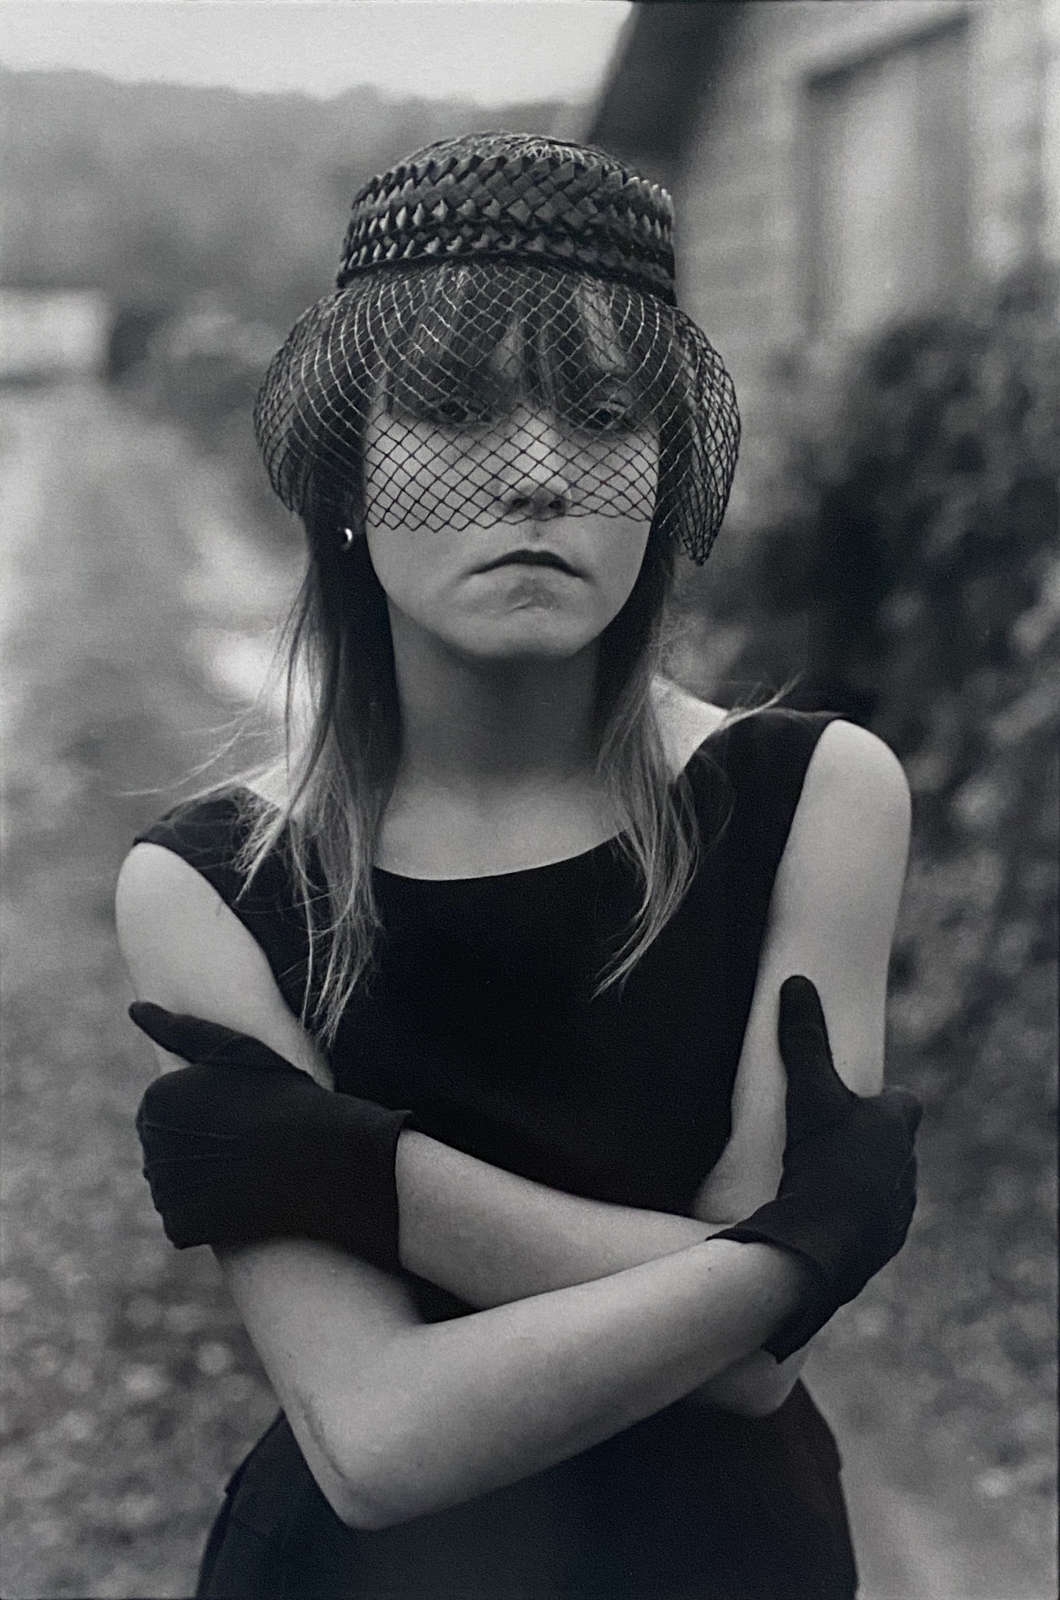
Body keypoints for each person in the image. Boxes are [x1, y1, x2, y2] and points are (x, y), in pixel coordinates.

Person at [115, 132, 920, 1599]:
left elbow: (752, 1373)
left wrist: (359, 1173)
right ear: (348, 470)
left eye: (607, 420)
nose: (541, 474)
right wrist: (790, 1254)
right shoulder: (210, 883)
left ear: (665, 480)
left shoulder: (815, 796)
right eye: (452, 410)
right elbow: (376, 1440)